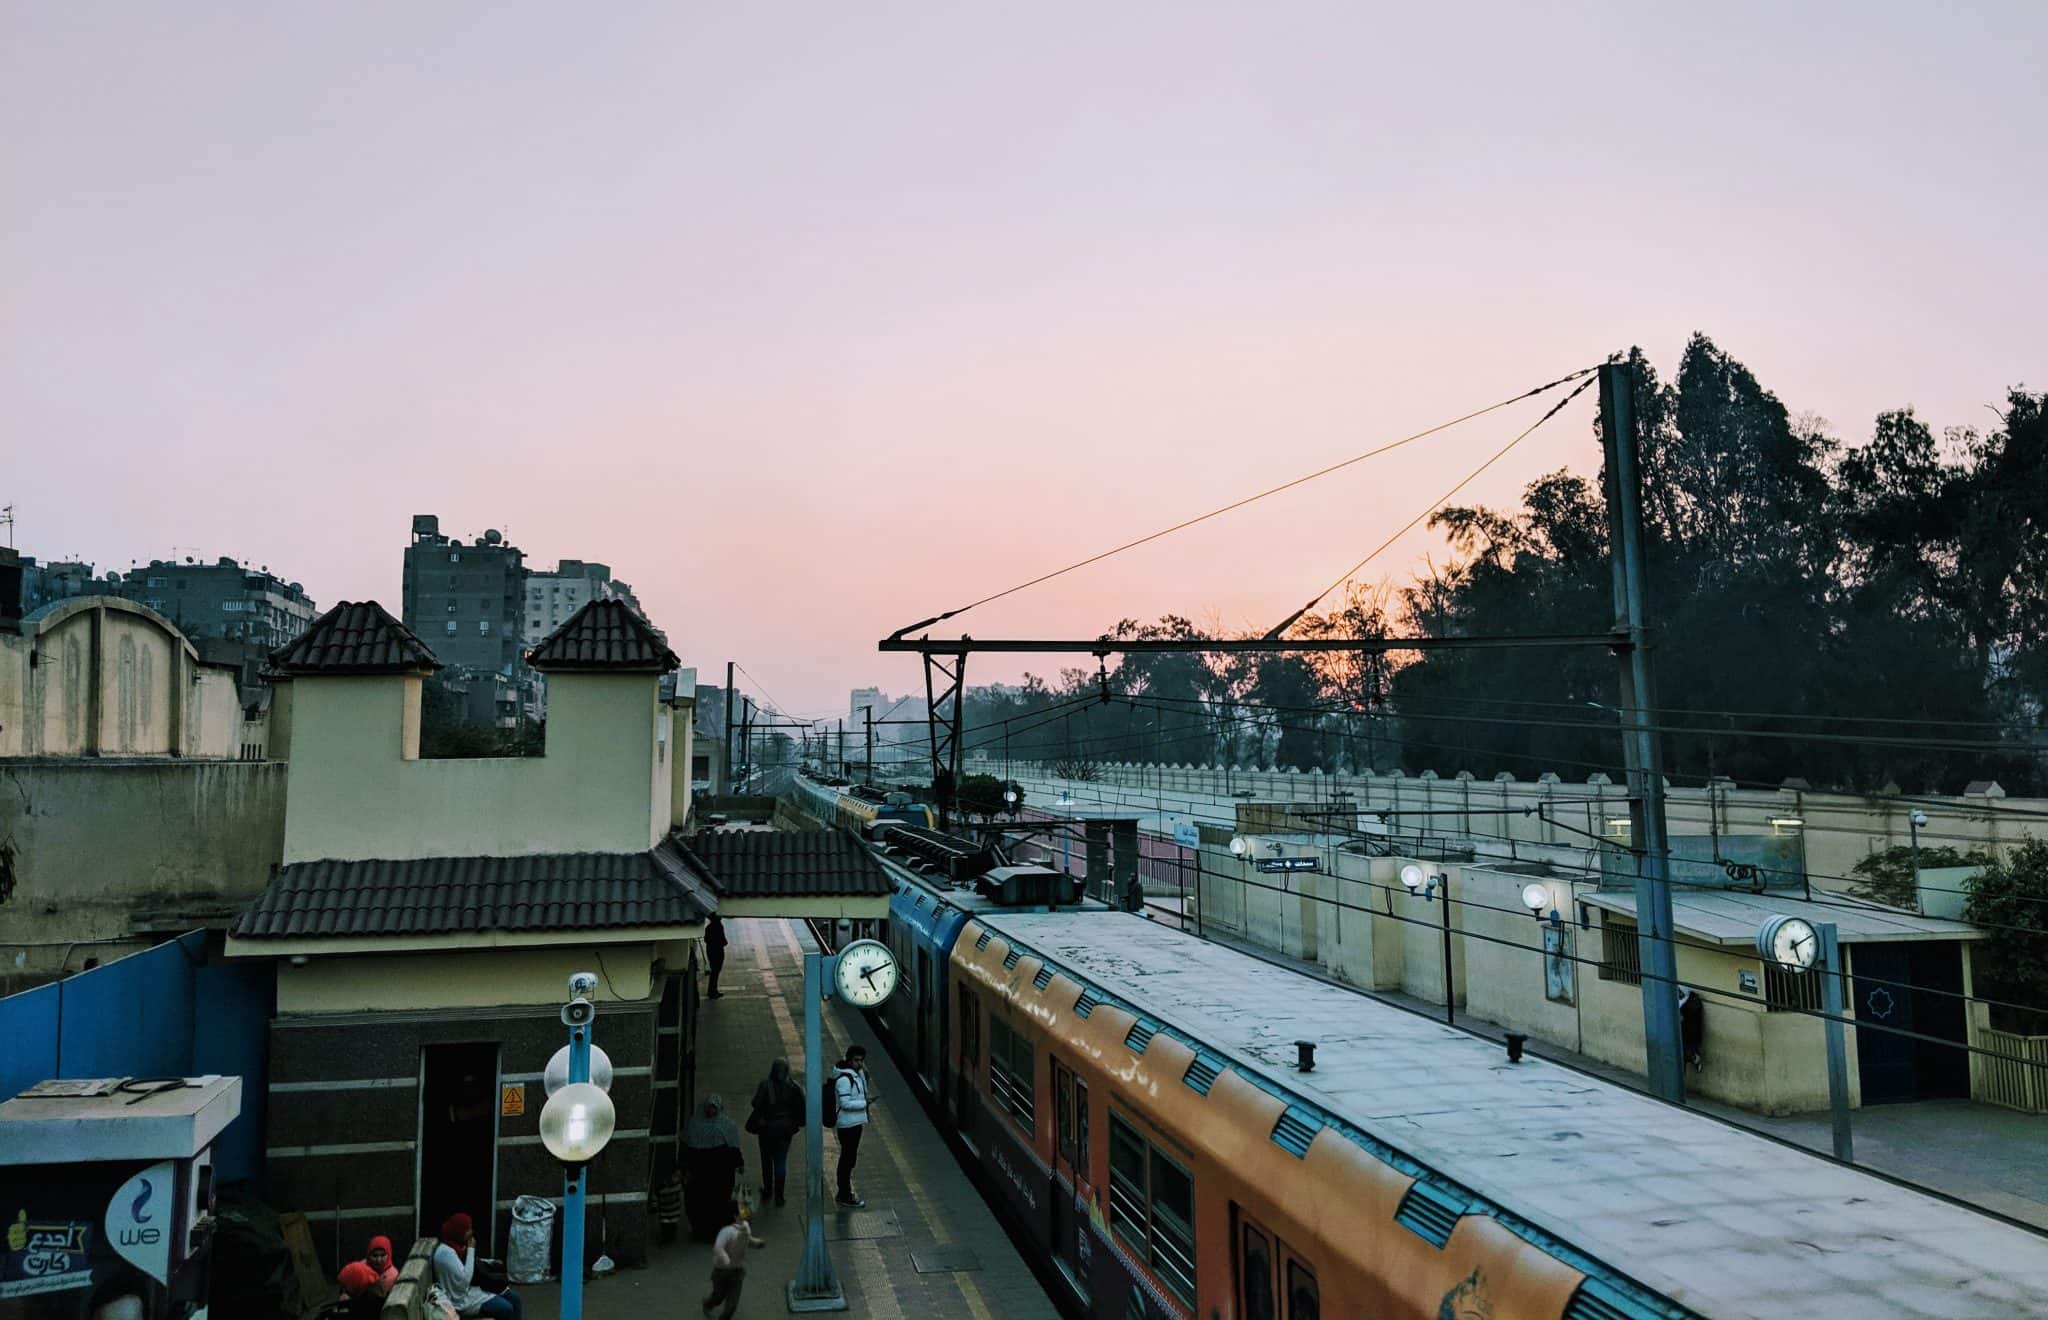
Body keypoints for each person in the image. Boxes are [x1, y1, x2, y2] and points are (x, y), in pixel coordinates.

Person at [430, 1214, 521, 1320]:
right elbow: (465, 1280)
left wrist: (489, 1262)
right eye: (467, 1229)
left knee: (515, 1299)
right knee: (506, 1308)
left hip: (472, 1292)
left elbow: (470, 1263)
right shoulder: (446, 1253)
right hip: (461, 1300)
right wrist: (471, 1249)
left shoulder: (456, 1247)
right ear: (458, 1231)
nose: (471, 1232)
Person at [682, 1095, 745, 1240]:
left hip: (712, 1173)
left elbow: (733, 1147)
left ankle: (709, 1231)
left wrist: (739, 1162)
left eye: (713, 1107)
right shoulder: (697, 1125)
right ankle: (709, 1232)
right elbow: (687, 1148)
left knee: (712, 1201)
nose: (711, 1111)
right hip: (711, 1173)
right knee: (708, 1201)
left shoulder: (721, 1125)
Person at [747, 1058, 803, 1207]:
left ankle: (768, 1189)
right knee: (781, 1161)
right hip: (785, 1128)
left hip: (766, 1128)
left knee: (766, 1159)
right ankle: (779, 1196)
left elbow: (755, 1103)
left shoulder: (765, 1085)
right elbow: (801, 1106)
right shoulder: (793, 1086)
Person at [700, 1200, 765, 1320]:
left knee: (732, 1303)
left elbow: (747, 1240)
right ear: (735, 1216)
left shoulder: (744, 1228)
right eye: (742, 1210)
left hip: (737, 1271)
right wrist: (726, 1260)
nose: (745, 1211)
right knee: (719, 1296)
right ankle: (708, 1303)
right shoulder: (726, 1232)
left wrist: (757, 1243)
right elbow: (718, 1247)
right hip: (722, 1271)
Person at [832, 1046, 872, 1208]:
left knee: (849, 1159)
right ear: (849, 1060)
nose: (859, 1064)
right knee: (847, 1160)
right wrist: (864, 1103)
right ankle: (844, 1194)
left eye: (861, 1060)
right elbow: (845, 1103)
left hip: (855, 1123)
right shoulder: (844, 1080)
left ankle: (844, 1192)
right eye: (856, 1060)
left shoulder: (856, 1075)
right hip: (848, 1125)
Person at [655, 1167, 685, 1244]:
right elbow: (680, 1197)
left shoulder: (662, 1185)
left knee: (667, 1226)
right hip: (672, 1210)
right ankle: (668, 1238)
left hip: (666, 1211)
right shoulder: (677, 1185)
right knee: (669, 1226)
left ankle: (667, 1238)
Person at [704, 914, 728, 999]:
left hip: (710, 951)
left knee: (714, 971)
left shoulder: (708, 927)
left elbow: (706, 940)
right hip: (718, 951)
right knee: (716, 971)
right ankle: (713, 991)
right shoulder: (719, 926)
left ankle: (712, 990)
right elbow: (723, 941)